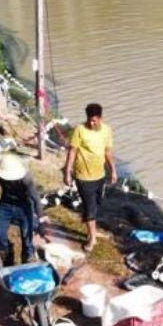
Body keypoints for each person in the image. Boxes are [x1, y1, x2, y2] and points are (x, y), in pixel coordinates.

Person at [64, 102, 117, 251]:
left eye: (94, 120)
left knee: (96, 204)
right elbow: (72, 151)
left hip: (100, 175)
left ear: (100, 118)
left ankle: (91, 229)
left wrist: (113, 170)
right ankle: (92, 237)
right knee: (90, 207)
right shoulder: (79, 130)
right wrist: (68, 172)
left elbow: (107, 152)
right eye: (89, 119)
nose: (91, 122)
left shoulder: (107, 130)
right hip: (83, 177)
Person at [0, 153, 45, 267]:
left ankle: (27, 263)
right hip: (5, 204)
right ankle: (8, 261)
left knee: (27, 238)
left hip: (24, 206)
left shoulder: (26, 178)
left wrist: (41, 219)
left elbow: (35, 197)